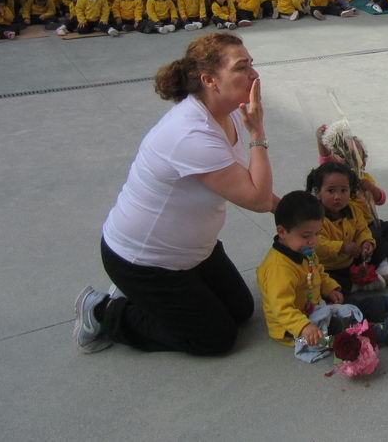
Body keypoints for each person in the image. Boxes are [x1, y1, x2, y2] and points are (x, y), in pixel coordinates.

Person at [73, 34, 275, 355]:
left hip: (194, 250)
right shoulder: (189, 134)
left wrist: (297, 210)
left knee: (241, 311)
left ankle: (144, 298)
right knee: (215, 339)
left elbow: (253, 187)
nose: (254, 75)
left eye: (251, 64)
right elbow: (258, 199)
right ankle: (103, 312)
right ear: (210, 80)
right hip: (143, 259)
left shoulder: (231, 113)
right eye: (242, 67)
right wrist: (258, 134)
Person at [256, 190, 388, 351]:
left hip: (313, 307)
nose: (313, 241)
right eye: (306, 235)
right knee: (338, 331)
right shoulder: (278, 269)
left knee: (349, 304)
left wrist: (330, 288)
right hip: (293, 328)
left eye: (317, 234)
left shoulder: (303, 250)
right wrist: (304, 327)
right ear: (282, 232)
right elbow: (282, 309)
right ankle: (383, 334)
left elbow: (318, 271)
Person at [306, 163, 388, 319]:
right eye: (331, 191)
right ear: (318, 193)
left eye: (344, 190)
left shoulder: (352, 210)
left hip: (352, 260)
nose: (338, 196)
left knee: (377, 237)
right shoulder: (315, 217)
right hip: (329, 269)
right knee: (334, 290)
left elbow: (363, 230)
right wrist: (342, 247)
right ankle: (364, 289)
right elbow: (317, 244)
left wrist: (366, 243)